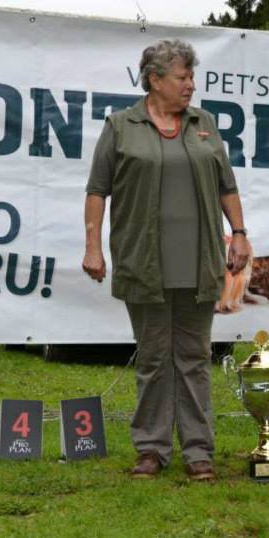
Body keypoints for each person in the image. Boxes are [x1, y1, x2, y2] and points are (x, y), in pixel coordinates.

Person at [83, 39, 250, 482]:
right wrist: (93, 246)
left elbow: (226, 185)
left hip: (199, 263)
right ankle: (151, 450)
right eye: (183, 77)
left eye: (191, 77)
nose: (191, 86)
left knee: (194, 357)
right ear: (155, 80)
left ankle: (199, 452)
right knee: (155, 358)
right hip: (144, 261)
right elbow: (98, 189)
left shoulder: (205, 123)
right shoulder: (121, 126)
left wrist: (240, 234)